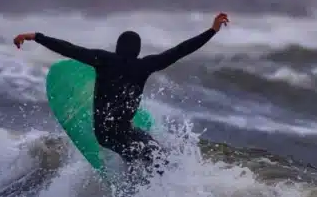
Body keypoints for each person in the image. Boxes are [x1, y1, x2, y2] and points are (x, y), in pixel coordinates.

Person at [14, 12, 229, 173]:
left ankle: (142, 184)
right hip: (119, 130)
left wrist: (36, 36)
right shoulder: (144, 65)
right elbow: (180, 50)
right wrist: (212, 30)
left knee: (153, 154)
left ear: (118, 47)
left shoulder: (103, 60)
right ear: (138, 49)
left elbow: (69, 48)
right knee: (155, 160)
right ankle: (143, 191)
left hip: (106, 132)